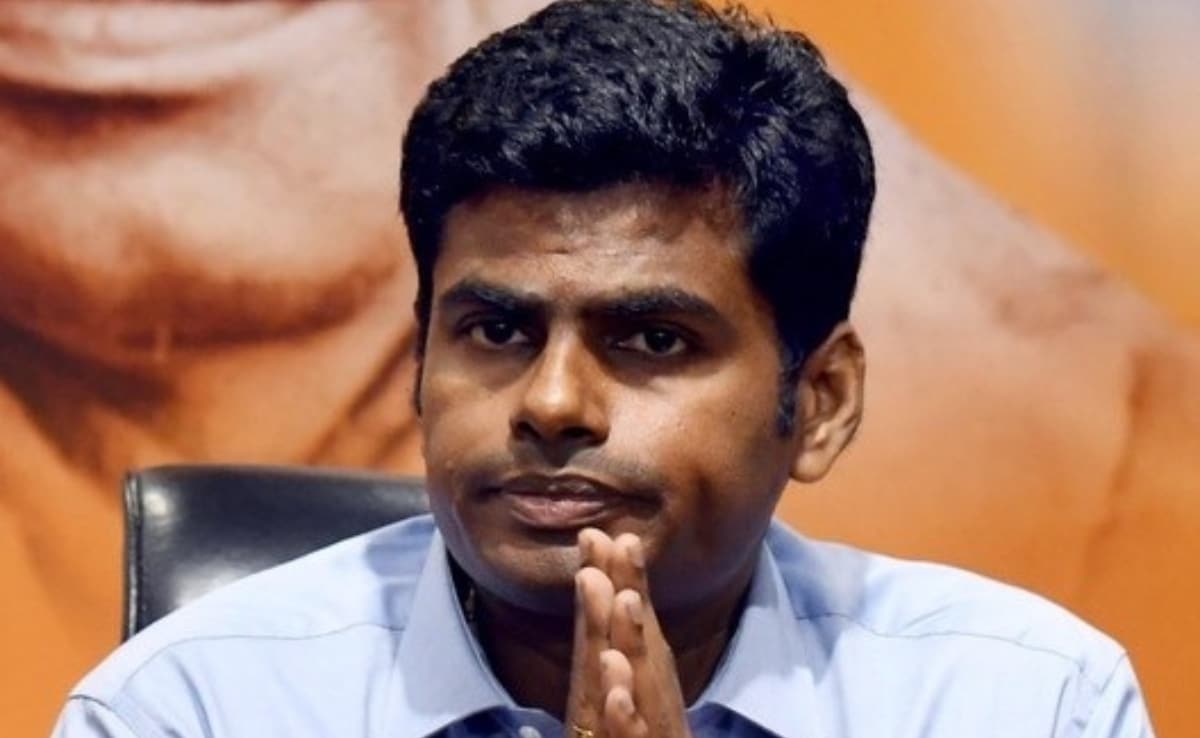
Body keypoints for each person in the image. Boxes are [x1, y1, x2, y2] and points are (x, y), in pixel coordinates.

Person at [48, 2, 1156, 736]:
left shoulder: (1022, 703)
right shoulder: (194, 709)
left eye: (653, 340)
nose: (551, 404)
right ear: (422, 361)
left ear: (819, 402)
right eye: (496, 331)